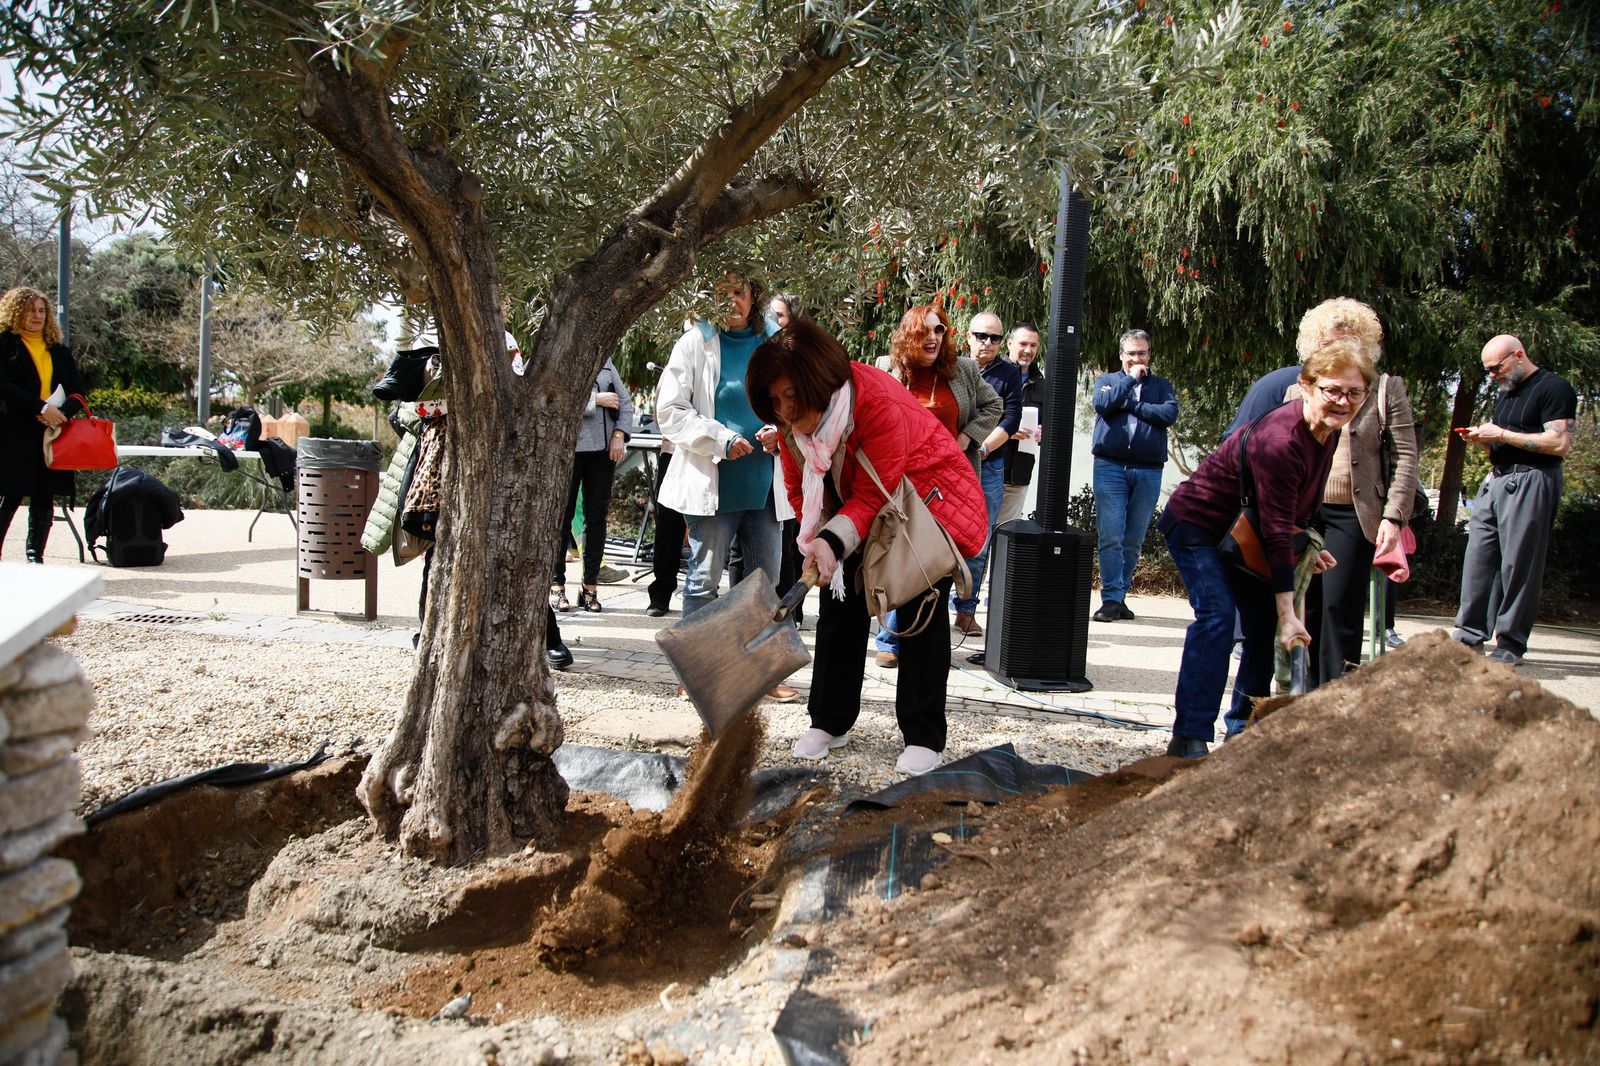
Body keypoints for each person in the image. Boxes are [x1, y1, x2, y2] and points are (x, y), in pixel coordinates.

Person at [748, 321, 987, 775]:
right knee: (839, 607)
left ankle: (923, 735)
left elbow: (875, 492)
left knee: (919, 614)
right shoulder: (789, 424)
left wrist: (832, 539)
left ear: (818, 381)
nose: (784, 410)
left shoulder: (875, 401)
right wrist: (818, 540)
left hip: (919, 506)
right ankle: (829, 721)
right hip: (855, 509)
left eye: (791, 396)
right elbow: (798, 485)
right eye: (775, 400)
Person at [1157, 337, 1374, 758]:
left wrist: (1308, 546)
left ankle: (1244, 727)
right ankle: (1189, 736)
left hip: (1245, 531)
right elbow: (1275, 530)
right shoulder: (1281, 439)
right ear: (1306, 386)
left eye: (1354, 392)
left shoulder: (1327, 433)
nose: (1343, 401)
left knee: (1261, 627)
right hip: (1198, 525)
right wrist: (1289, 613)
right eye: (1332, 389)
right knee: (1218, 618)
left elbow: (1292, 511)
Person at [657, 271, 796, 701]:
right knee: (703, 581)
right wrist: (721, 439)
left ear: (755, 296)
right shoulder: (694, 342)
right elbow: (670, 410)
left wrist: (782, 430)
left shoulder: (775, 343)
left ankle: (760, 674)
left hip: (764, 485)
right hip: (712, 485)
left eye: (740, 292)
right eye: (723, 292)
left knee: (764, 584)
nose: (731, 300)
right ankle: (697, 674)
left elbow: (799, 400)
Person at [871, 304, 1001, 666]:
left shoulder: (963, 369)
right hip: (903, 483)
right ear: (908, 335)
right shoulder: (888, 369)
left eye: (939, 330)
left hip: (949, 484)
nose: (933, 338)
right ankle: (889, 639)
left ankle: (925, 643)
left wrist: (966, 437)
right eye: (924, 331)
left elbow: (994, 405)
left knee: (937, 563)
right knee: (901, 556)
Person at [1296, 315, 1419, 687]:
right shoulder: (1302, 386)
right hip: (1304, 510)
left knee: (1339, 608)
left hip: (1353, 513)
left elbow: (1406, 456)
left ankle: (1338, 697)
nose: (1340, 347)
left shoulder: (1385, 388)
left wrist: (1394, 517)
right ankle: (1304, 697)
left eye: (1349, 339)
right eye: (1330, 340)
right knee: (1304, 607)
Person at [1453, 335, 1577, 666]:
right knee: (1479, 560)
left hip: (1532, 479)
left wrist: (1502, 434)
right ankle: (1468, 637)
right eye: (1488, 371)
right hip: (1497, 480)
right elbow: (1502, 443)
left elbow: (1559, 444)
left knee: (1519, 565)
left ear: (1518, 355)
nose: (1493, 375)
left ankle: (1510, 644)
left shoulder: (1554, 388)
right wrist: (1482, 439)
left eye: (1496, 368)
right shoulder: (1507, 393)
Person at [1090, 329, 1178, 622]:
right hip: (1110, 467)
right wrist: (1129, 380)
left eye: (1142, 353)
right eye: (1131, 353)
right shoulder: (1107, 381)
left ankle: (1120, 595)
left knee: (1133, 540)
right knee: (1111, 536)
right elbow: (1103, 405)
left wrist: (1131, 405)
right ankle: (1111, 599)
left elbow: (1168, 415)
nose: (1137, 358)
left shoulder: (1161, 386)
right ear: (1121, 355)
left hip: (1148, 470)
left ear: (1149, 355)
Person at [0, 287, 87, 563]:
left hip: (51, 432)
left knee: (44, 494)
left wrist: (60, 414)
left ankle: (35, 557)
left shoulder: (58, 351)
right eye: (30, 310)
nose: (37, 316)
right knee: (10, 494)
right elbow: (3, 386)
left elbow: (78, 391)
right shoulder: (4, 345)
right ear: (15, 312)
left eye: (41, 311)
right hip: (13, 432)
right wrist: (40, 408)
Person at [951, 310, 1023, 636]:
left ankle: (966, 609)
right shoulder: (953, 367)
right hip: (950, 462)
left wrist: (981, 447)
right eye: (982, 336)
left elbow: (1010, 418)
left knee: (980, 540)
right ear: (968, 336)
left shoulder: (1009, 374)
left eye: (995, 337)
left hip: (989, 464)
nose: (988, 343)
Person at [1225, 297, 1385, 440]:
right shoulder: (1279, 385)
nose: (1338, 353)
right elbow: (1238, 446)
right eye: (1329, 345)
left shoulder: (1382, 393)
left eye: (1348, 346)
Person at [552, 356, 634, 612]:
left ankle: (590, 588)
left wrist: (619, 434)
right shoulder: (561, 354)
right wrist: (595, 400)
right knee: (561, 519)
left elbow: (625, 403)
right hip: (567, 451)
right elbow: (553, 400)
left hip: (603, 452)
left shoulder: (605, 360)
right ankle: (556, 586)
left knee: (596, 520)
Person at [999, 323, 1045, 527]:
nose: (1028, 350)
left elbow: (1048, 425)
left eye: (1033, 345)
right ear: (1009, 344)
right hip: (988, 469)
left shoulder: (1042, 384)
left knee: (1005, 533)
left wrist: (1044, 433)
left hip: (1019, 475)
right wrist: (1006, 429)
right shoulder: (994, 375)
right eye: (1023, 344)